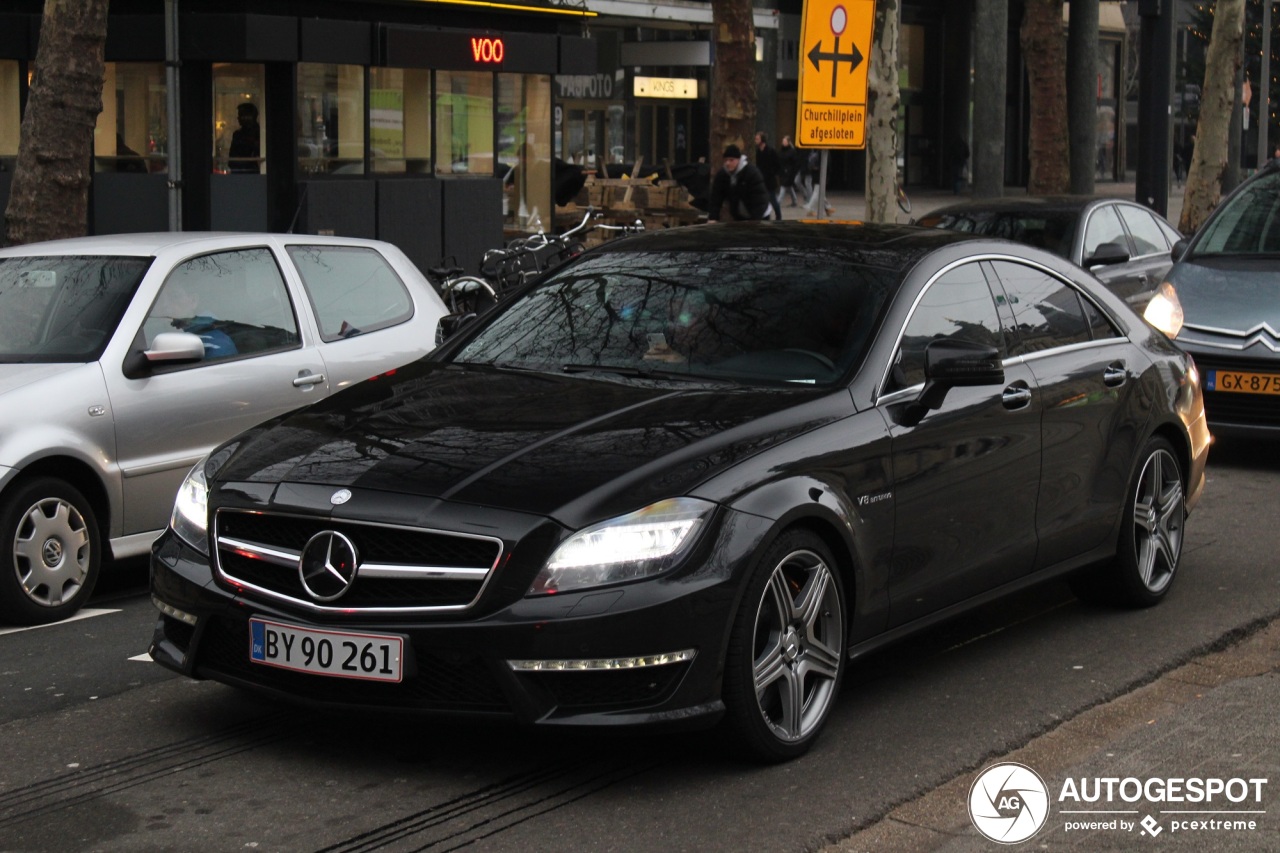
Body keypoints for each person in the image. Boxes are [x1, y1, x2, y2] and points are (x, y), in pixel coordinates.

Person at [150, 280, 237, 358]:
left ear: (193, 301)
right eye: (159, 298)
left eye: (174, 296)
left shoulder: (215, 343)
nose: (165, 304)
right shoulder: (144, 333)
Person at [706, 144, 773, 222]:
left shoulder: (751, 173)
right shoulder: (723, 175)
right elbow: (716, 198)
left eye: (731, 160)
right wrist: (713, 217)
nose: (728, 163)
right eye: (726, 160)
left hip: (760, 214)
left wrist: (755, 220)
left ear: (738, 160)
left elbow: (759, 199)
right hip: (740, 215)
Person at [754, 131, 784, 220]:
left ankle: (778, 216)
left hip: (769, 180)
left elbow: (777, 165)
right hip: (761, 179)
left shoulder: (771, 151)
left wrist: (772, 173)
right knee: (762, 200)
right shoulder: (758, 151)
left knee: (772, 199)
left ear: (762, 140)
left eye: (757, 139)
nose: (756, 140)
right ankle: (765, 216)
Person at [228, 102, 261, 174]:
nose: (238, 118)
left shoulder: (260, 134)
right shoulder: (237, 134)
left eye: (240, 115)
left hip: (254, 174)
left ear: (248, 117)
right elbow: (232, 159)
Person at [777, 134, 802, 207]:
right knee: (789, 187)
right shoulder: (781, 150)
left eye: (785, 141)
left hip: (789, 172)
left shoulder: (792, 151)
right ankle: (794, 200)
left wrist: (793, 171)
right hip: (783, 171)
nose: (783, 143)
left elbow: (795, 162)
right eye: (783, 141)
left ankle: (778, 202)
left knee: (783, 186)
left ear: (788, 142)